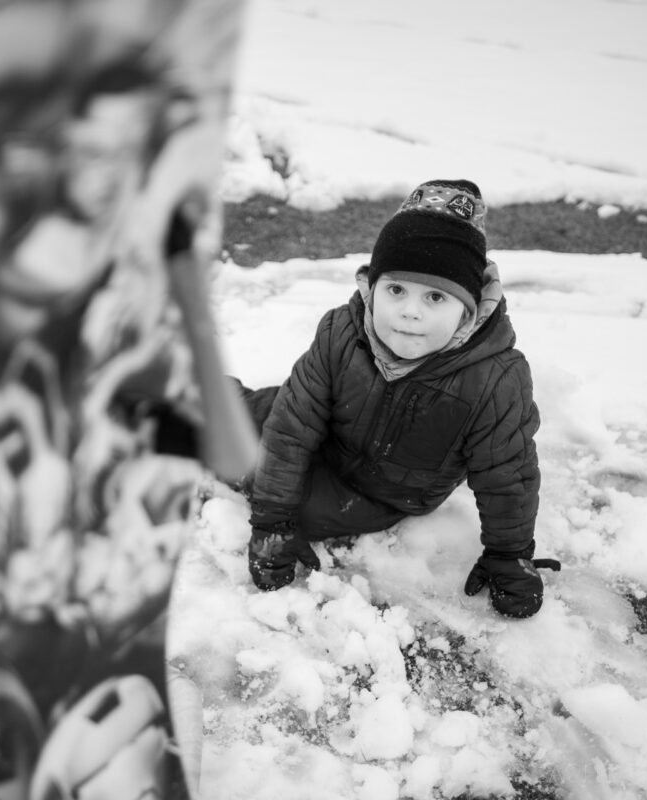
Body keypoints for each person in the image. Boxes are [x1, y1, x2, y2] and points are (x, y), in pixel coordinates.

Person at [239, 179, 558, 618]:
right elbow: (293, 426)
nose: (410, 311)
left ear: (468, 311)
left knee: (278, 490)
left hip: (380, 491)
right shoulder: (341, 333)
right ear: (372, 287)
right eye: (396, 291)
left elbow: (508, 475)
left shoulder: (493, 379)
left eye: (434, 297)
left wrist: (509, 553)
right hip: (331, 438)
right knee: (249, 415)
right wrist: (271, 520)